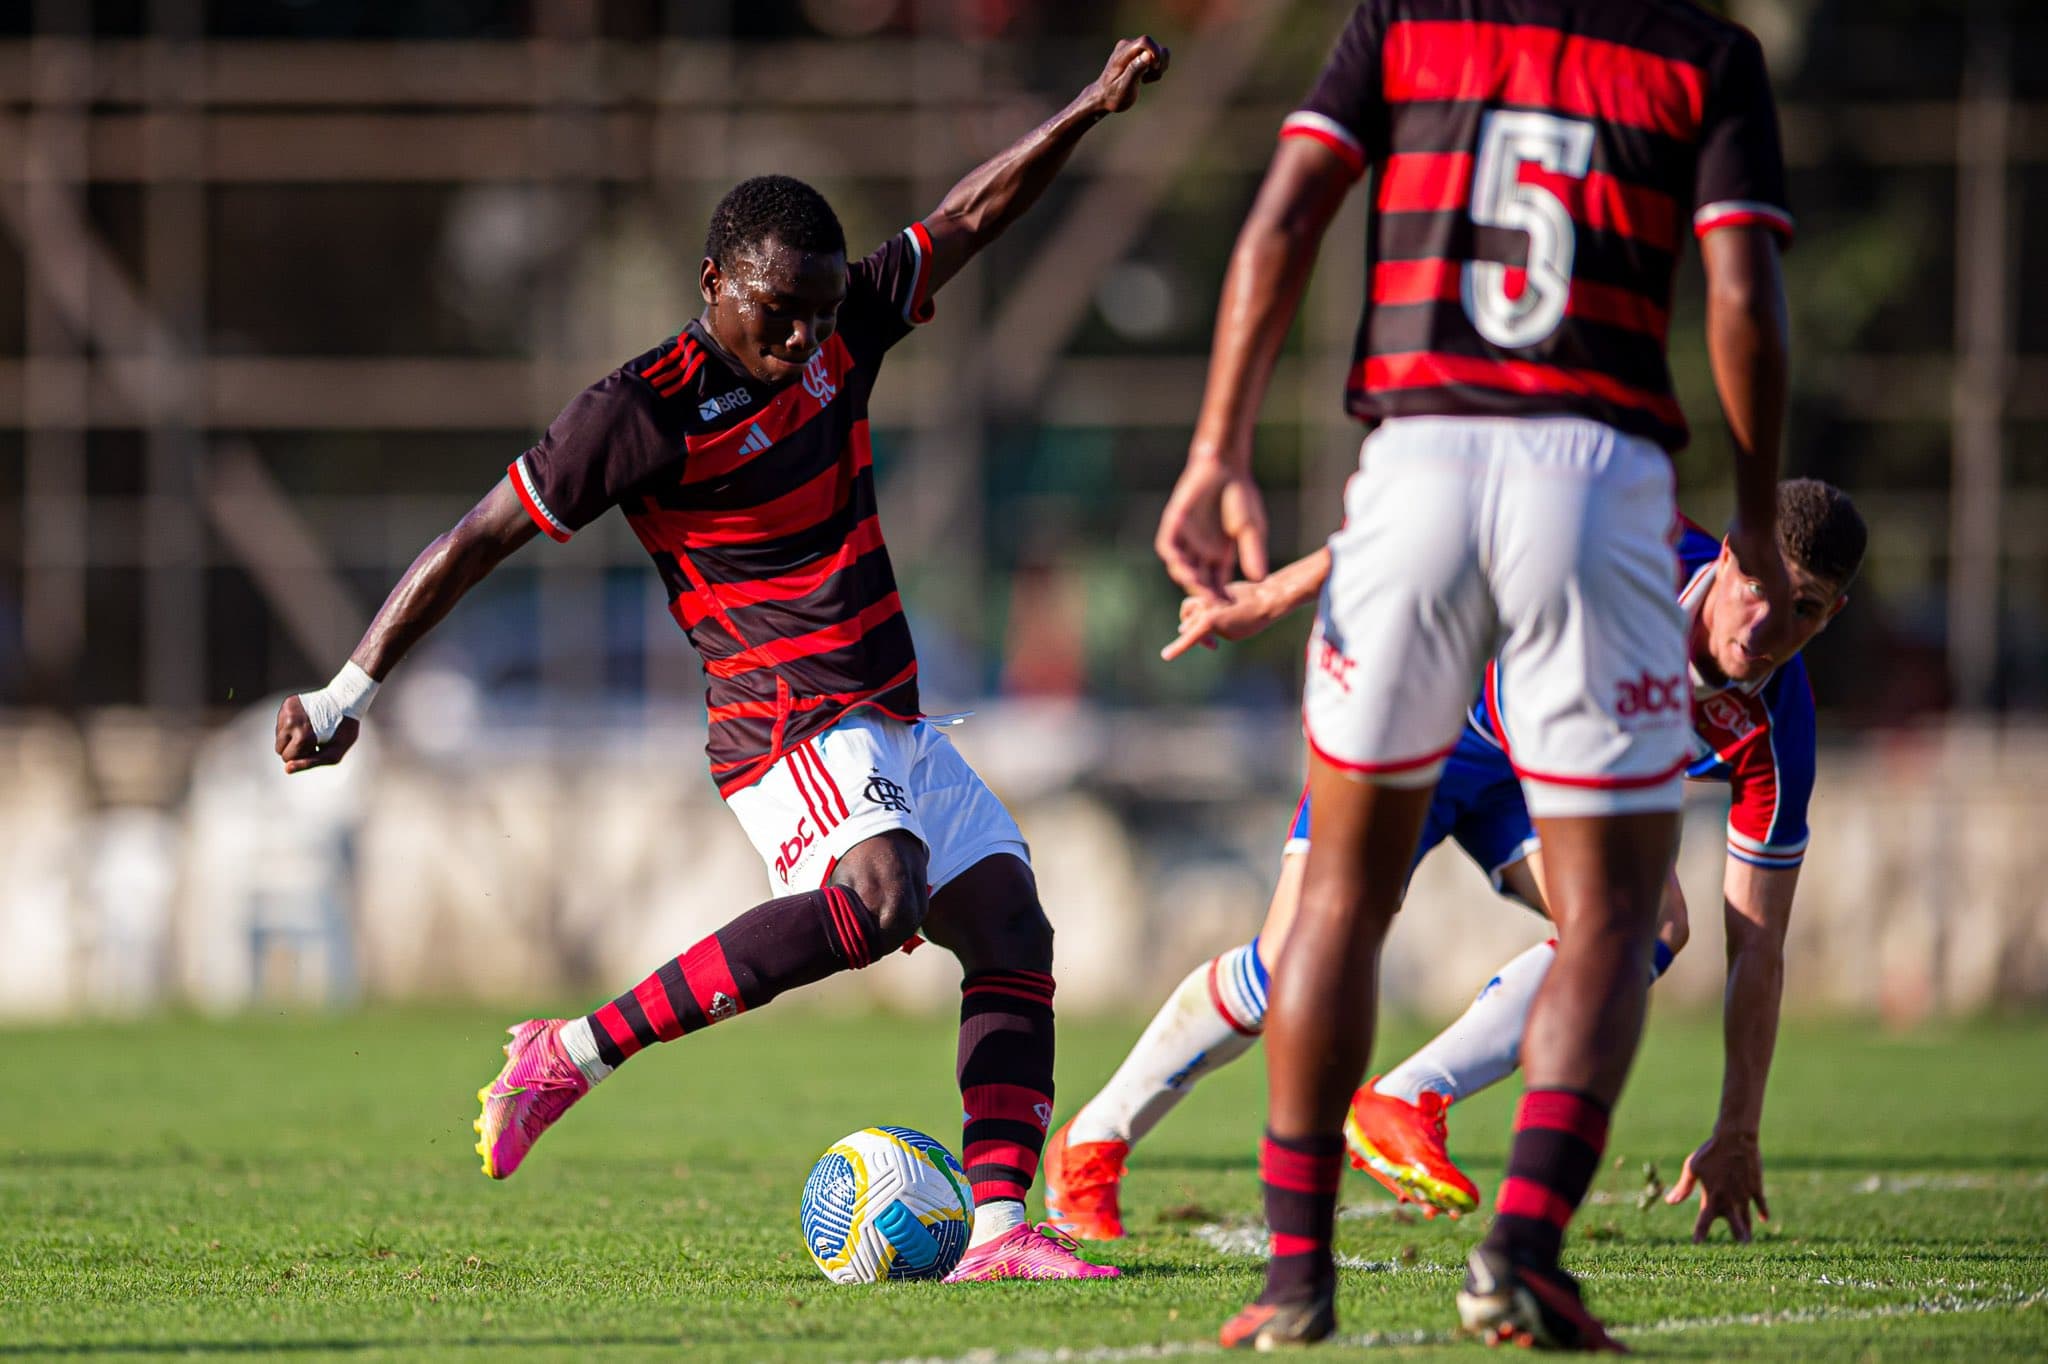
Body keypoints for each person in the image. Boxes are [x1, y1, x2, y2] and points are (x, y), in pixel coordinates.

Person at [273, 36, 1169, 1285]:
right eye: (774, 311)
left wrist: (1085, 106)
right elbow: (475, 538)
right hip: (782, 718)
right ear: (711, 280)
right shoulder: (637, 411)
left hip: (887, 708)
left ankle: (1002, 1226)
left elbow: (969, 214)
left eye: (815, 310)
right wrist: (344, 690)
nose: (802, 337)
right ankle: (567, 1053)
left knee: (1012, 929)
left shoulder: (844, 319)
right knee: (878, 895)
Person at [1152, 0, 1795, 1347]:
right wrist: (1749, 521)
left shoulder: (1399, 24)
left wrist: (1217, 447)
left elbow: (1279, 224)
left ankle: (1292, 1279)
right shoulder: (1704, 54)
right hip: (1593, 476)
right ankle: (1523, 1251)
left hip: (1416, 465)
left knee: (1337, 895)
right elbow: (1743, 292)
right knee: (1620, 914)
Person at [1049, 482, 1865, 1256]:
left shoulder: (1777, 737)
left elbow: (1757, 945)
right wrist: (1273, 594)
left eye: (1804, 610)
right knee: (1292, 967)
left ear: (1834, 619)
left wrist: (1739, 1131)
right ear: (1726, 555)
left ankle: (1410, 1098)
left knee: (1647, 925)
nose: (1764, 627)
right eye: (1755, 586)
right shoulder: (1635, 539)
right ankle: (1090, 1145)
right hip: (1426, 728)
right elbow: (1441, 510)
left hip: (1543, 790)